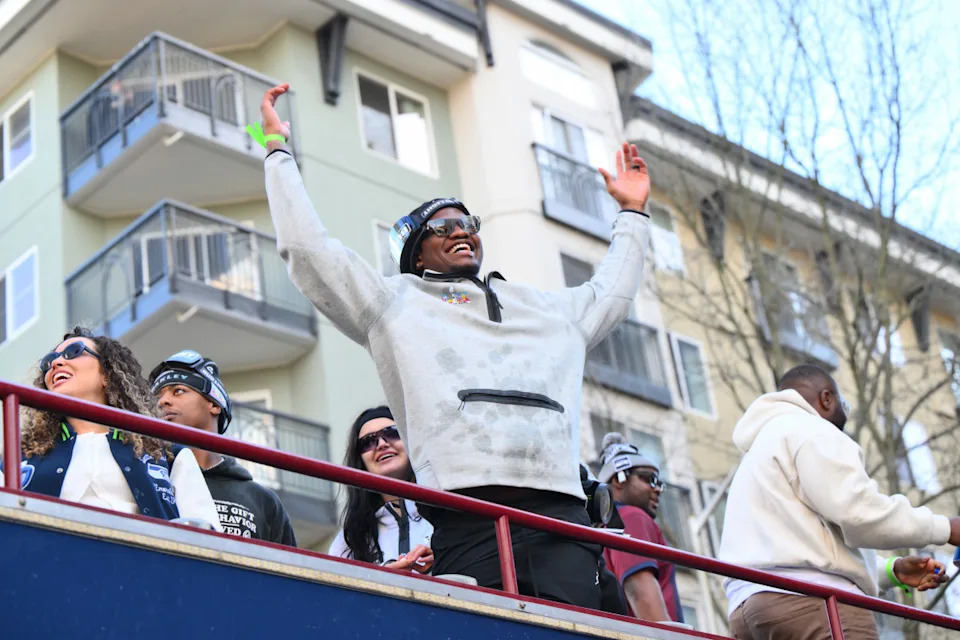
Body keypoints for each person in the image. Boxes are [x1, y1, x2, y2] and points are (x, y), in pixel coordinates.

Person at [256, 84, 651, 608]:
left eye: (469, 223)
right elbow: (310, 252)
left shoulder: (545, 308)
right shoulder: (393, 303)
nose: (462, 232)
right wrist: (277, 153)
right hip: (467, 519)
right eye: (444, 226)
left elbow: (612, 295)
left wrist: (632, 216)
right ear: (416, 252)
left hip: (562, 516)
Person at [720, 364, 957, 640]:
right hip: (812, 604)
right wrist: (946, 528)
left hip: (749, 611)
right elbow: (859, 513)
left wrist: (892, 571)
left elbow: (805, 542)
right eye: (844, 404)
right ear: (826, 399)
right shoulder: (813, 430)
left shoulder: (756, 454)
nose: (845, 413)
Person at [7, 328, 220, 530]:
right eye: (48, 362)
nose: (56, 363)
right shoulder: (18, 458)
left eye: (74, 352)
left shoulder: (167, 452)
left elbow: (208, 535)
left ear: (107, 375)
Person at [151, 350, 297, 545]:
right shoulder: (152, 480)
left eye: (178, 391)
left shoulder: (261, 500)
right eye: (158, 397)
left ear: (214, 404)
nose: (163, 401)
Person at [328, 406, 433, 572]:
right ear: (360, 461)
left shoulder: (445, 515)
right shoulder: (349, 541)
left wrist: (440, 558)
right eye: (368, 442)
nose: (382, 444)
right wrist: (384, 578)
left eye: (392, 433)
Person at [598, 433, 684, 623]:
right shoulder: (631, 517)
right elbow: (640, 593)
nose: (657, 488)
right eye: (649, 479)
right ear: (619, 480)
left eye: (659, 482)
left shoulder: (605, 524)